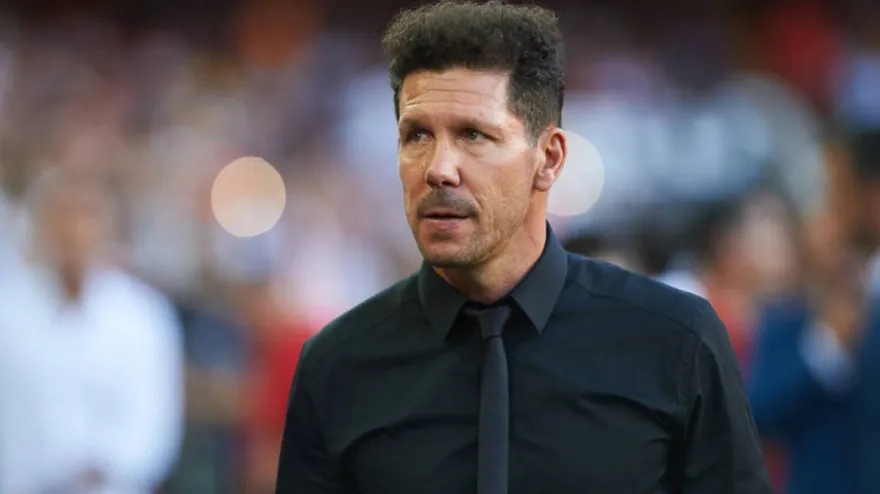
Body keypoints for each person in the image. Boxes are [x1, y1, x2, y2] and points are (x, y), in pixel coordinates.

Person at [276, 2, 772, 493]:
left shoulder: (676, 342)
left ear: (549, 159)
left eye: (473, 135)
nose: (438, 168)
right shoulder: (337, 365)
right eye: (417, 135)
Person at [0, 169, 184, 494]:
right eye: (61, 215)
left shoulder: (142, 317)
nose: (72, 231)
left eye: (85, 216)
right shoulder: (8, 312)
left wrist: (99, 470)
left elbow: (152, 427)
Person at [748, 128, 880, 494]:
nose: (829, 208)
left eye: (838, 190)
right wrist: (827, 347)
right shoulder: (796, 306)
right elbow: (756, 412)